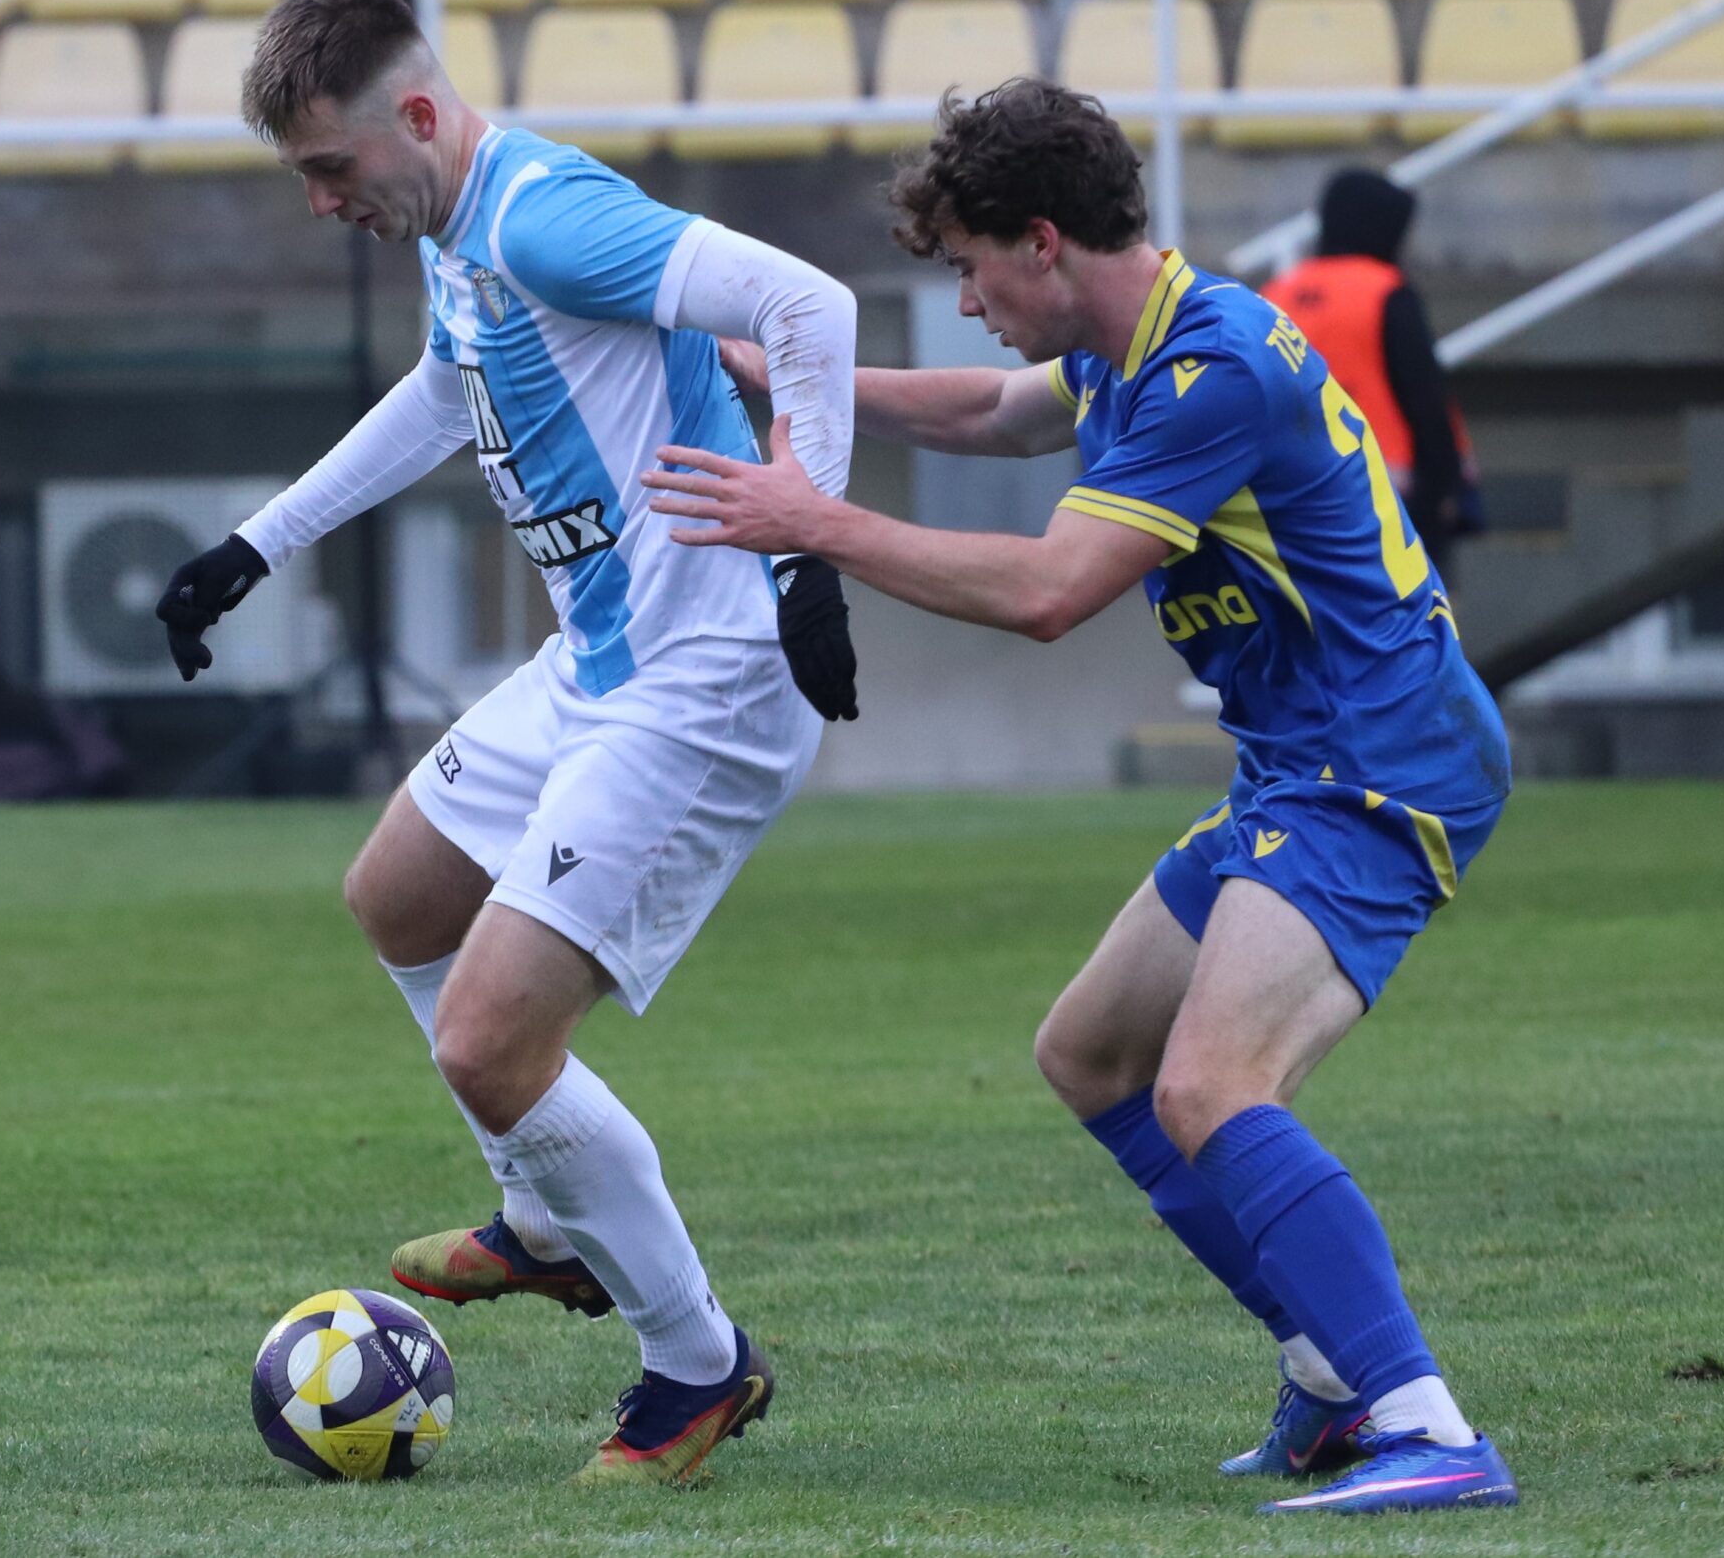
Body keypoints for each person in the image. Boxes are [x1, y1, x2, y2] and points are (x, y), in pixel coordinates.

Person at [643, 80, 1519, 1516]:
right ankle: (1328, 1367)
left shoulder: (1209, 369)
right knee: (1092, 1054)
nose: (968, 301)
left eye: (971, 267)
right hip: (1304, 761)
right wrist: (789, 379)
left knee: (1207, 1086)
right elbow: (995, 410)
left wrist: (817, 522)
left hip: (1380, 763)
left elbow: (1051, 591)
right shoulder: (1134, 342)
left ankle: (1428, 1426)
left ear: (1042, 242)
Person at [153, 0, 861, 1486]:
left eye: (332, 167)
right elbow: (442, 387)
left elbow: (810, 304)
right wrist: (257, 545)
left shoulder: (543, 214)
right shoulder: (456, 225)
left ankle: (699, 1362)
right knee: (398, 893)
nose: (323, 202)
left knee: (489, 1038)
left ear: (416, 117)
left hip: (705, 682)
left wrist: (811, 540)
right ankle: (544, 1219)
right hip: (598, 663)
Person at [1261, 170, 1479, 574]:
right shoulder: (1385, 290)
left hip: (1288, 496)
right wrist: (1447, 486)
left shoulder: (1276, 293)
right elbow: (1424, 398)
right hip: (1383, 492)